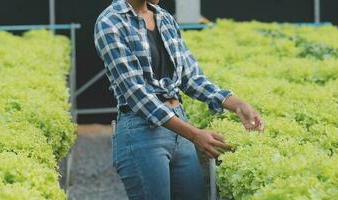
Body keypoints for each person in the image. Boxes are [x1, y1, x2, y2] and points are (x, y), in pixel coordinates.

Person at [94, 0, 264, 199]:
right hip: (141, 131)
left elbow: (190, 77)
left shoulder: (164, 18)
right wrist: (194, 134)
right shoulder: (110, 22)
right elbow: (137, 94)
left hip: (180, 126)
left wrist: (237, 104)